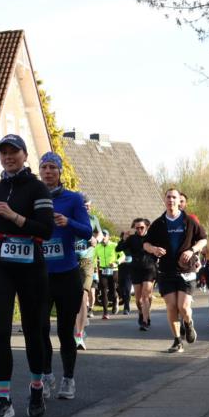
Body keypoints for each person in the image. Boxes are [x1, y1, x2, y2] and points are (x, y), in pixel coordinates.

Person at [0, 135, 54, 417]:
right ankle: (3, 399)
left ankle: (36, 389)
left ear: (25, 155)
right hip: (1, 266)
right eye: (4, 153)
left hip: (30, 266)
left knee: (33, 330)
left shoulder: (37, 188)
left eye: (14, 152)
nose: (9, 157)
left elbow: (45, 230)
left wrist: (15, 217)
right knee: (0, 331)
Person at [37, 153, 91, 401]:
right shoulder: (33, 197)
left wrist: (68, 221)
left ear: (59, 172)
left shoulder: (73, 199)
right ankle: (46, 376)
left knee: (64, 330)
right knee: (40, 329)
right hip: (39, 274)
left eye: (52, 167)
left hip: (67, 273)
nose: (48, 171)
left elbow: (87, 232)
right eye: (44, 167)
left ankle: (68, 379)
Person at [143, 188, 207, 353]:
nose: (171, 200)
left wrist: (192, 250)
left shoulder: (189, 221)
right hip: (166, 271)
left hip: (186, 270)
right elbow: (146, 244)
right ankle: (177, 340)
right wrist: (154, 249)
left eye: (174, 197)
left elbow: (203, 239)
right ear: (165, 200)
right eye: (168, 197)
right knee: (171, 307)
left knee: (184, 307)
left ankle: (188, 323)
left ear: (180, 201)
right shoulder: (158, 223)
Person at [73, 196, 101, 349]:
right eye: (85, 206)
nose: (87, 209)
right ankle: (78, 323)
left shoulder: (93, 219)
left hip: (87, 260)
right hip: (70, 260)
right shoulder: (70, 217)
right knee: (70, 297)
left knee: (83, 295)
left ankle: (79, 335)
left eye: (89, 206)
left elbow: (100, 234)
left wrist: (96, 239)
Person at [117, 218, 156, 330]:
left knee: (145, 296)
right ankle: (141, 312)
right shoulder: (132, 239)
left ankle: (145, 321)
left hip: (149, 269)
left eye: (141, 227)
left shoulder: (152, 238)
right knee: (138, 299)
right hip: (136, 269)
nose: (139, 230)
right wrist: (123, 239)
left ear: (147, 227)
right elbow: (118, 249)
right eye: (137, 228)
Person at [94, 230, 123, 318]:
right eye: (101, 236)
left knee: (112, 290)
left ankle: (115, 302)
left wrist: (116, 262)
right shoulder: (97, 246)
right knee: (103, 290)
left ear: (108, 237)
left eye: (104, 236)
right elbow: (94, 257)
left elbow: (123, 255)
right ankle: (105, 312)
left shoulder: (114, 245)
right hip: (103, 270)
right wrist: (94, 267)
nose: (103, 238)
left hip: (113, 270)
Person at [115, 230, 134, 315]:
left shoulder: (132, 244)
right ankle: (122, 299)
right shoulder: (120, 244)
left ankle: (126, 307)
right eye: (125, 235)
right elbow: (117, 250)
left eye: (128, 235)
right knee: (120, 288)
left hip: (129, 268)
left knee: (127, 288)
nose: (126, 236)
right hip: (120, 268)